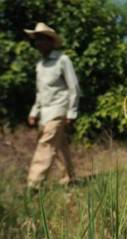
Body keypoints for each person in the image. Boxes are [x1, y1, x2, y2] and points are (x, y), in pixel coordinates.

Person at [24, 22, 81, 189]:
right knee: (60, 146)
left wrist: (71, 112)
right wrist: (34, 111)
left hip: (59, 110)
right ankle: (70, 179)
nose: (38, 43)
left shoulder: (63, 60)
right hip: (45, 113)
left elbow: (74, 87)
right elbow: (40, 92)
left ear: (50, 41)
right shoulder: (40, 65)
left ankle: (33, 185)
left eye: (41, 39)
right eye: (36, 39)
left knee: (46, 145)